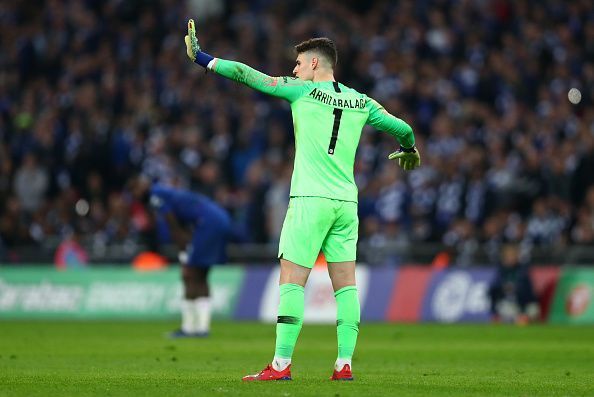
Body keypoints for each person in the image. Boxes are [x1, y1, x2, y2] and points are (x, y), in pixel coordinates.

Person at [184, 20, 420, 380]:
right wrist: (408, 150)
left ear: (313, 64)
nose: (293, 70)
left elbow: (249, 75)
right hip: (346, 204)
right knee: (346, 287)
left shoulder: (301, 91)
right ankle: (344, 364)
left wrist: (204, 58)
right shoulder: (361, 101)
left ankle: (281, 364)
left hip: (310, 199)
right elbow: (403, 128)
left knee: (292, 281)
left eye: (298, 64)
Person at [135, 176, 231, 337]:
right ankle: (200, 328)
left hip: (208, 223)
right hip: (218, 219)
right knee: (200, 275)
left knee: (189, 274)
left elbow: (172, 223)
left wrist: (182, 250)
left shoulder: (155, 194)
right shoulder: (167, 192)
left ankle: (190, 328)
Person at [488, 243, 539, 325]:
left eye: (513, 255)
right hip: (508, 303)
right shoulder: (501, 271)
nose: (510, 258)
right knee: (504, 308)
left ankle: (519, 318)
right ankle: (517, 319)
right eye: (508, 256)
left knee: (534, 309)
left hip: (523, 304)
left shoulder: (523, 271)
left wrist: (516, 288)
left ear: (517, 256)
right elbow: (492, 290)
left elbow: (530, 293)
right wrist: (502, 287)